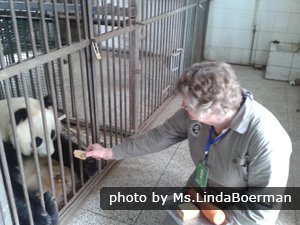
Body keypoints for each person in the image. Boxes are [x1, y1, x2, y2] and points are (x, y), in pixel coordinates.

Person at [85, 61, 292, 224]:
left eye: (187, 103)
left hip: (236, 209)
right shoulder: (192, 115)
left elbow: (263, 209)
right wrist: (110, 152)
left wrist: (222, 220)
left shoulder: (268, 140)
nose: (182, 105)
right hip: (200, 189)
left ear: (213, 109)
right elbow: (160, 136)